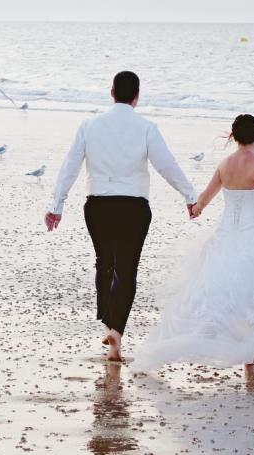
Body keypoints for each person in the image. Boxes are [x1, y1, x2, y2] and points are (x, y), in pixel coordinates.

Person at [133, 114, 254, 376]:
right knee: (250, 293)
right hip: (251, 240)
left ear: (234, 136)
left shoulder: (225, 165)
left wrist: (195, 208)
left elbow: (204, 199)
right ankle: (248, 353)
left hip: (225, 237)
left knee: (216, 292)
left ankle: (221, 344)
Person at [45, 71, 198, 362]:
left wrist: (57, 205)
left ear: (111, 92)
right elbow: (167, 165)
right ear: (137, 97)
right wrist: (189, 196)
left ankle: (108, 320)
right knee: (127, 269)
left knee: (105, 262)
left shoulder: (89, 125)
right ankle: (116, 330)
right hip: (134, 208)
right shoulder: (146, 127)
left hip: (99, 205)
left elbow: (70, 166)